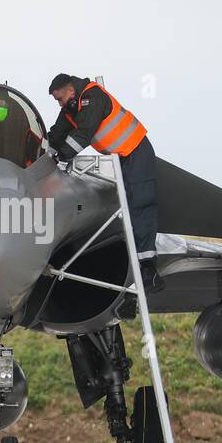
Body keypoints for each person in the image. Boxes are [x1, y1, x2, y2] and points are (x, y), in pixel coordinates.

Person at [46, 73, 164, 291]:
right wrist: (43, 152)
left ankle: (147, 266)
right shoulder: (70, 110)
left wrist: (60, 157)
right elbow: (57, 134)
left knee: (140, 203)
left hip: (136, 150)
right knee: (130, 206)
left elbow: (83, 134)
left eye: (60, 98)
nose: (60, 104)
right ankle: (140, 261)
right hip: (121, 157)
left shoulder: (93, 97)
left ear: (70, 91)